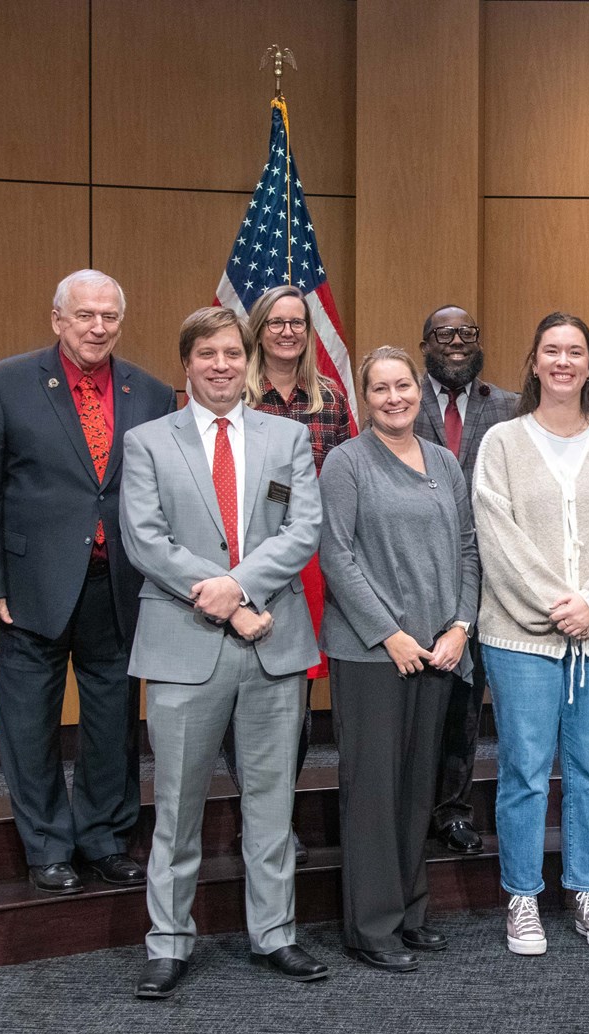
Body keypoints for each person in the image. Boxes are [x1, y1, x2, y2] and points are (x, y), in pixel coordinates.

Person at [121, 307, 326, 998]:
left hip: (274, 642)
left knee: (272, 803)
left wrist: (237, 588)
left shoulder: (287, 437)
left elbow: (304, 529)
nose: (220, 364)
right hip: (184, 647)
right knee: (177, 805)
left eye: (232, 353)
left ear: (248, 360)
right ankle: (169, 942)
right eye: (206, 353)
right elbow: (145, 540)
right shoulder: (148, 441)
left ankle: (276, 934)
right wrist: (223, 602)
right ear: (187, 363)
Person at [0, 269, 175, 895]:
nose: (97, 327)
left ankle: (104, 839)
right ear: (58, 319)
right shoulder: (5, 384)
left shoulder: (153, 393)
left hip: (118, 586)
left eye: (108, 316)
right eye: (84, 315)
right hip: (27, 590)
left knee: (112, 722)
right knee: (30, 724)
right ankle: (47, 846)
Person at [472, 312, 589, 956]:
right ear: (535, 360)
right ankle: (522, 897)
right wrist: (559, 604)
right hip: (521, 637)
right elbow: (498, 536)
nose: (564, 362)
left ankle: (586, 891)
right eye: (552, 350)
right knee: (523, 767)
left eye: (576, 351)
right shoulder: (503, 442)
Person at [319, 346, 478, 973]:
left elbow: (469, 550)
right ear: (365, 397)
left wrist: (460, 627)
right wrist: (389, 634)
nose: (394, 397)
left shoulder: (443, 460)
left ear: (419, 390)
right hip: (373, 655)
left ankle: (411, 913)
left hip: (439, 650)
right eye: (380, 388)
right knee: (374, 791)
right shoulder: (346, 463)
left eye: (403, 385)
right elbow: (337, 555)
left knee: (418, 789)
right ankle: (371, 926)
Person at [220, 284, 355, 862]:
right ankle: (257, 812)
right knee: (242, 697)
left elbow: (349, 481)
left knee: (291, 702)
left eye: (297, 322)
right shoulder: (235, 399)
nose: (287, 332)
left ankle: (277, 813)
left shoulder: (327, 399)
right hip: (244, 568)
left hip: (314, 569)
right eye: (275, 322)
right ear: (257, 329)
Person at [414, 304, 518, 856]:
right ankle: (408, 806)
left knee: (463, 700)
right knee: (411, 701)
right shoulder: (401, 398)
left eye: (468, 333)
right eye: (445, 333)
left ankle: (452, 809)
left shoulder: (508, 406)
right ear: (425, 341)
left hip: (482, 574)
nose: (458, 342)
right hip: (411, 572)